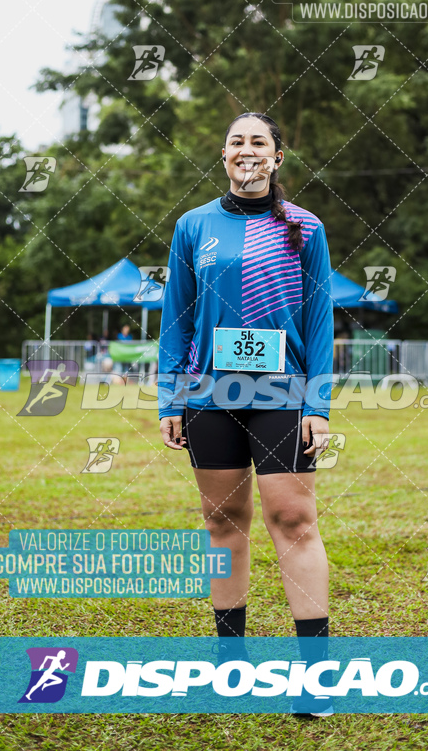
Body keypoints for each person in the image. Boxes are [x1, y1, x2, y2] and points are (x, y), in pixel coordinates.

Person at [158, 113, 334, 716]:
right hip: (210, 394)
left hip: (283, 391)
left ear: (277, 157)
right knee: (223, 523)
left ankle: (316, 677)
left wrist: (319, 403)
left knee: (295, 520)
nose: (247, 150)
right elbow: (177, 317)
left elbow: (319, 319)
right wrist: (170, 397)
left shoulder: (305, 228)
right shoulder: (192, 226)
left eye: (259, 141)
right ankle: (230, 669)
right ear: (225, 155)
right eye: (237, 141)